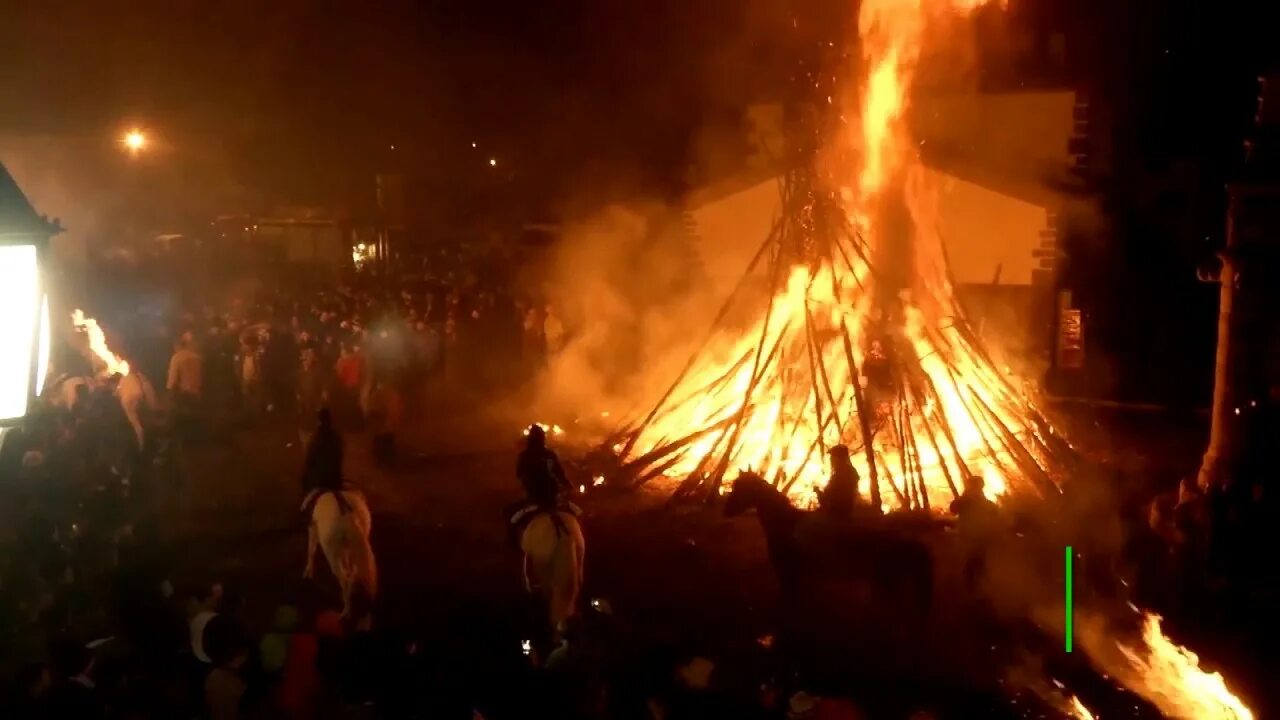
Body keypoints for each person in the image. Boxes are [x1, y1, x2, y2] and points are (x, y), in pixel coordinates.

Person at [817, 445, 859, 521]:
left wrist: (819, 493)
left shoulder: (842, 474)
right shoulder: (847, 471)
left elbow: (833, 496)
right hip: (842, 513)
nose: (831, 461)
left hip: (838, 515)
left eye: (833, 458)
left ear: (840, 459)